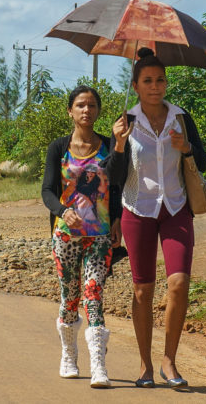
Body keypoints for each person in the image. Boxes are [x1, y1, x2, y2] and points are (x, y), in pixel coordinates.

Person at [107, 48, 206, 389]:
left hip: (176, 208)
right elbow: (115, 176)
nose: (155, 86)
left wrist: (187, 147)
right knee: (142, 290)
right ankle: (145, 365)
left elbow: (203, 161)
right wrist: (119, 145)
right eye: (147, 81)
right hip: (138, 209)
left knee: (179, 284)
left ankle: (169, 361)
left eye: (160, 80)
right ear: (135, 85)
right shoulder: (125, 123)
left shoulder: (182, 118)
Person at [41, 85, 121, 388]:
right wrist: (63, 211)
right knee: (70, 297)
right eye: (80, 105)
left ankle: (99, 366)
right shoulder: (58, 147)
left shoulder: (109, 145)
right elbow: (47, 190)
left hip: (99, 236)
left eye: (91, 105)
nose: (86, 110)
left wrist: (118, 219)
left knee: (94, 295)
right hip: (65, 238)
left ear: (98, 110)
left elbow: (118, 183)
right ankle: (69, 355)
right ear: (70, 111)